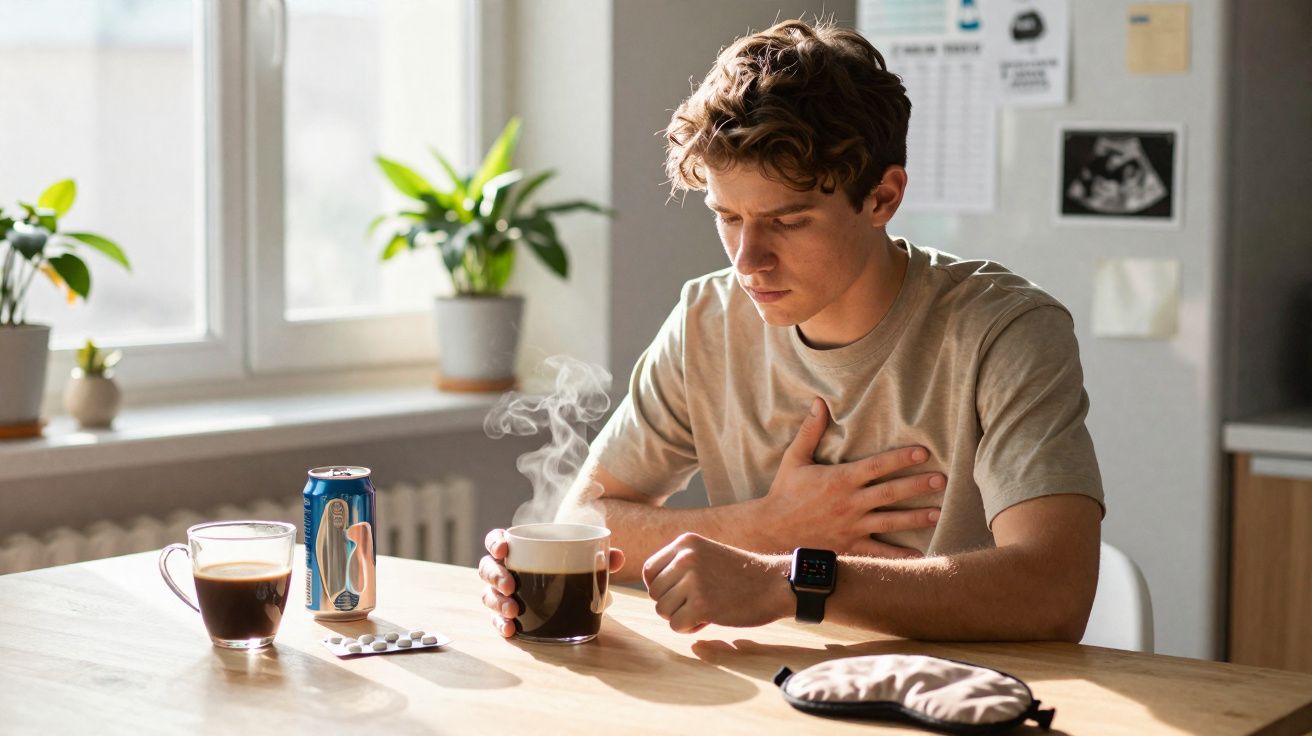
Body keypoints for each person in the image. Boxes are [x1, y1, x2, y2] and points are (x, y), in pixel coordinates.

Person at [479, 18, 1104, 642]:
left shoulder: (1006, 331)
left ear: (882, 198)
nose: (747, 261)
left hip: (957, 699)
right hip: (771, 694)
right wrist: (768, 525)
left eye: (788, 221)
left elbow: (1054, 591)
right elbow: (585, 519)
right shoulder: (707, 320)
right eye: (727, 217)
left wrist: (789, 579)